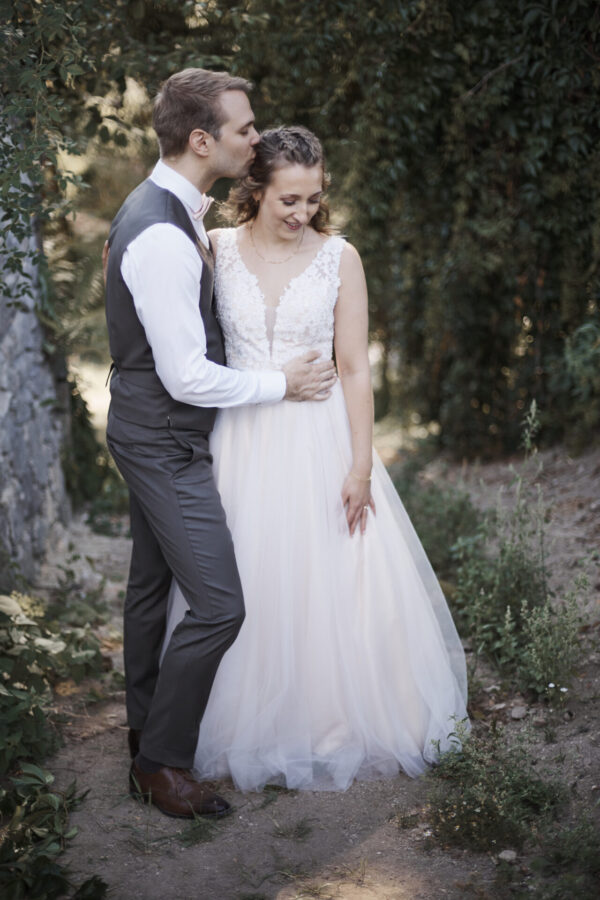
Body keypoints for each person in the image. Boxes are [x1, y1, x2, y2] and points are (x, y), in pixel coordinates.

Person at [165, 126, 469, 792]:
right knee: (244, 575)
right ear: (255, 192)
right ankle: (245, 722)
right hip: (241, 440)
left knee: (325, 575)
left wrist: (360, 465)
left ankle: (331, 717)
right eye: (288, 200)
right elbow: (149, 280)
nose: (302, 213)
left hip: (319, 436)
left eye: (312, 198)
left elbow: (355, 368)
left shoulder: (340, 257)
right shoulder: (214, 249)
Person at [103, 70, 337, 819]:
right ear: (201, 140)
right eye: (244, 128)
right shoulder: (163, 237)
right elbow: (186, 374)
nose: (256, 138)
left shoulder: (169, 214)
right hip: (164, 441)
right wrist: (281, 386)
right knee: (219, 606)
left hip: (147, 428)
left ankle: (144, 737)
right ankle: (165, 763)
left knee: (149, 591)